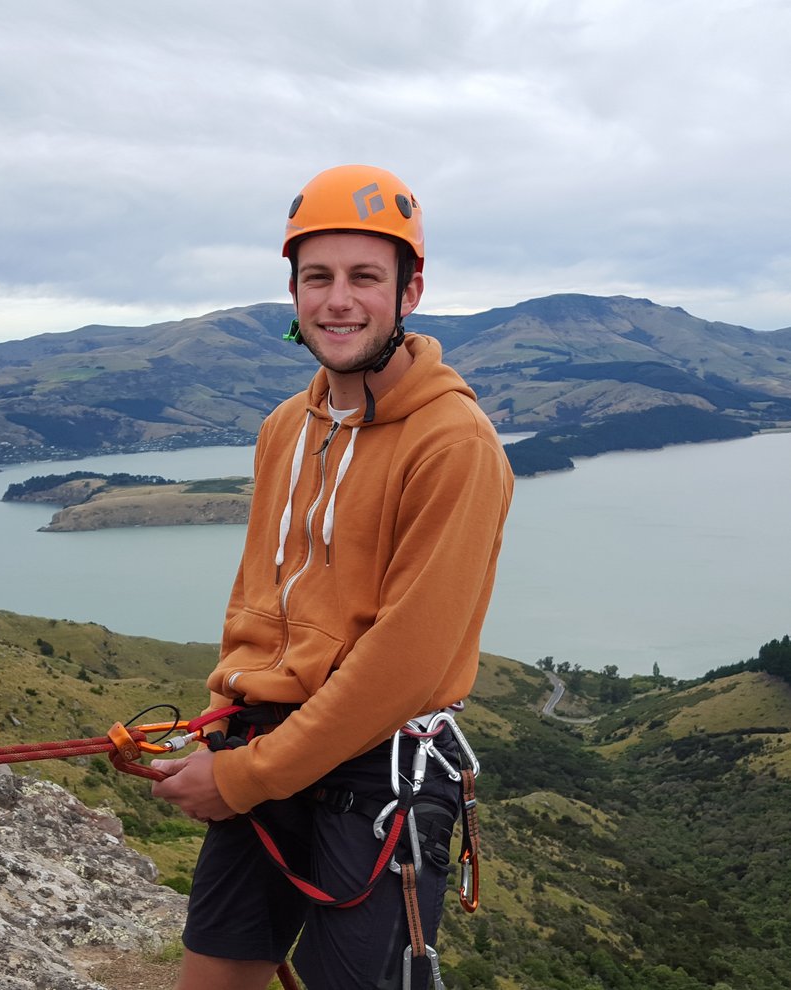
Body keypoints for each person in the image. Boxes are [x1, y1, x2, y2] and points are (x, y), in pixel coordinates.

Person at [151, 164, 514, 989]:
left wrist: (243, 777)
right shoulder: (286, 427)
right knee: (212, 976)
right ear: (294, 292)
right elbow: (259, 600)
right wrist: (226, 716)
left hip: (374, 764)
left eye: (364, 278)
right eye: (317, 278)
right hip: (266, 737)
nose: (337, 301)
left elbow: (406, 664)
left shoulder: (454, 444)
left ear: (409, 291)